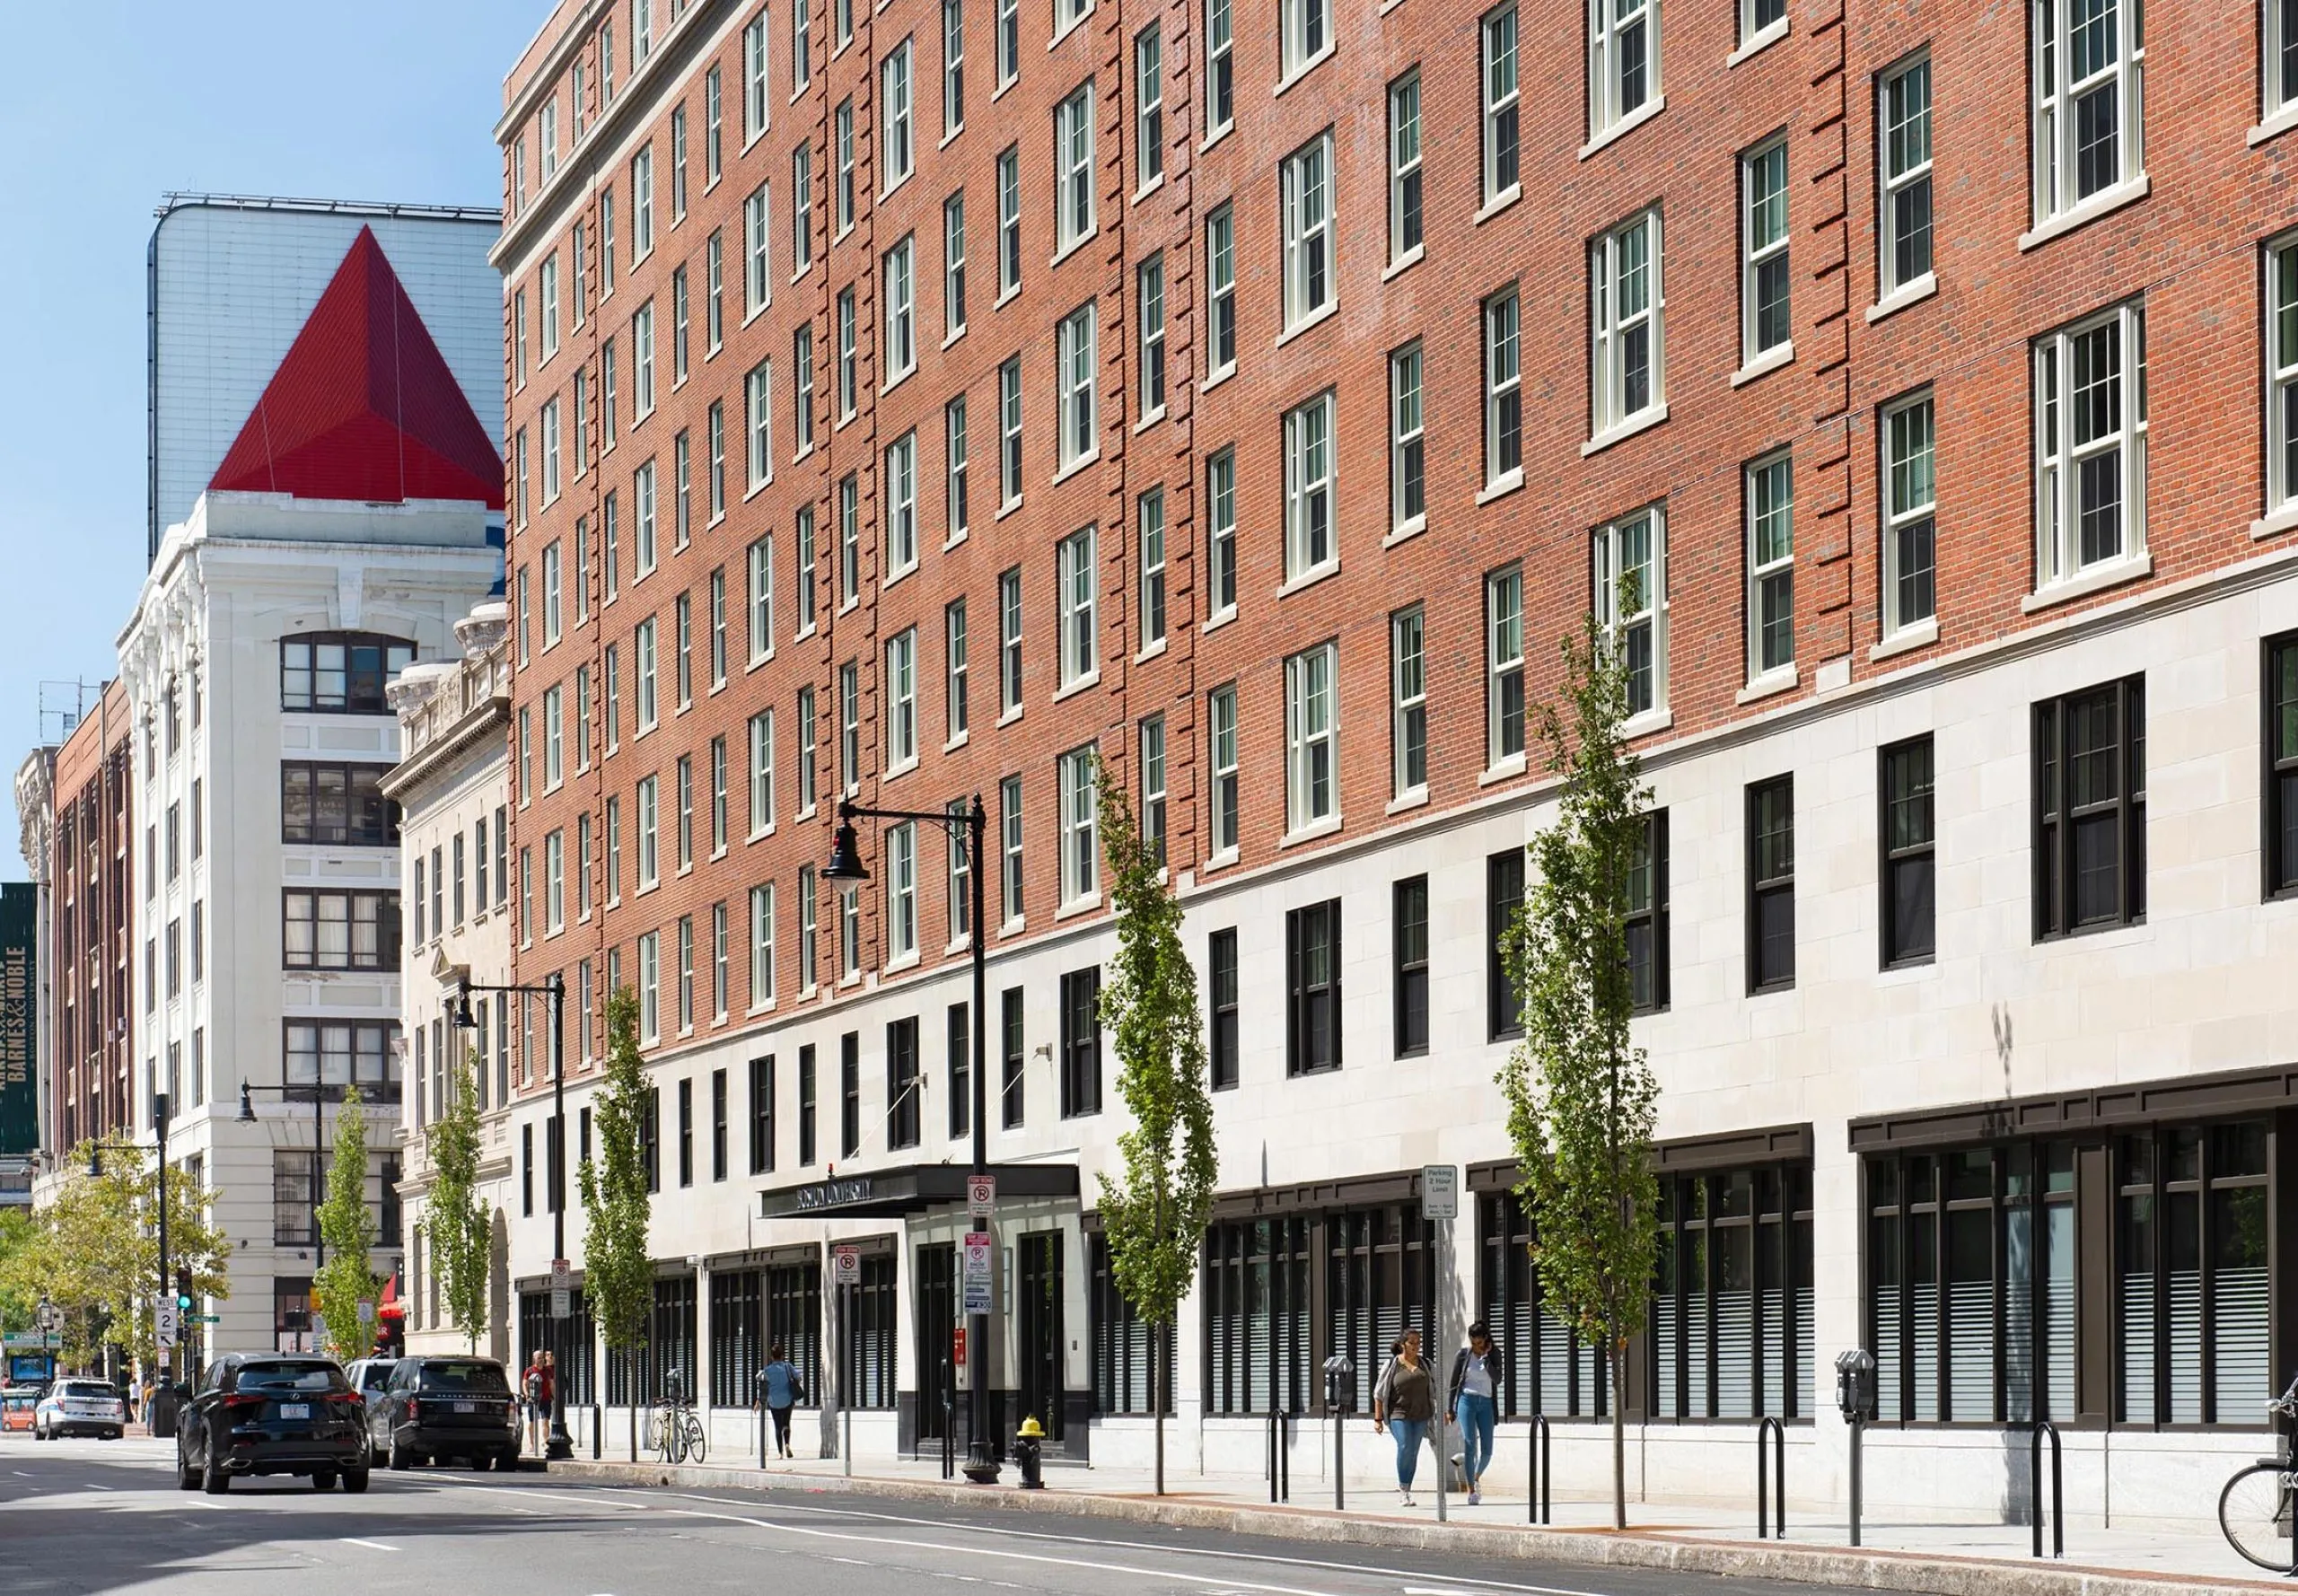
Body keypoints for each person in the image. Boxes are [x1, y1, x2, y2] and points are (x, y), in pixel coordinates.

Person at [1371, 1329, 1436, 1507]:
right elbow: (1378, 1394)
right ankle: (1402, 1489)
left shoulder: (1427, 1364)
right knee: (1405, 1445)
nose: (1416, 1346)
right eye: (1412, 1342)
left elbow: (1437, 1388)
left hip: (1421, 1414)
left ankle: (1407, 1489)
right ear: (1403, 1344)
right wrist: (1378, 1420)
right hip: (1398, 1414)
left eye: (1418, 1342)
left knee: (1413, 1451)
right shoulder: (1392, 1365)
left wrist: (1445, 1410)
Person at [1448, 1320, 1504, 1506]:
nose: (1476, 1347)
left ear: (1486, 1339)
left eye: (1479, 1343)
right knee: (1470, 1445)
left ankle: (1476, 1477)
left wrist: (1486, 1358)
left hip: (1486, 1403)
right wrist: (1450, 1409)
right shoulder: (1463, 1355)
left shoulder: (1494, 1354)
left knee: (1487, 1450)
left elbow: (1497, 1379)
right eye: (1473, 1343)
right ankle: (1471, 1490)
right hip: (1466, 1401)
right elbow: (1454, 1382)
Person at [759, 1344, 804, 1460]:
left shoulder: (768, 1370)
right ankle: (787, 1443)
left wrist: (760, 1400)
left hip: (773, 1401)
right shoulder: (787, 1367)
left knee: (777, 1426)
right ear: (782, 1356)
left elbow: (759, 1378)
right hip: (787, 1400)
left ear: (772, 1357)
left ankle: (780, 1453)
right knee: (786, 1422)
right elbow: (799, 1377)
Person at [521, 1355, 548, 1452]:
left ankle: (546, 1442)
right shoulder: (530, 1370)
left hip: (545, 1398)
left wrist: (553, 1395)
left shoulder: (547, 1370)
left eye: (542, 1357)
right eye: (539, 1358)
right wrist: (527, 1394)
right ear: (534, 1359)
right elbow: (524, 1383)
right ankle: (531, 1443)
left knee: (546, 1420)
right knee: (532, 1421)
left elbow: (551, 1383)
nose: (541, 1360)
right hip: (533, 1399)